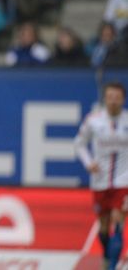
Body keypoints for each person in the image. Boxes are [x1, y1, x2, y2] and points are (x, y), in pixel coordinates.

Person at [74, 81, 128, 270]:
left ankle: (112, 265)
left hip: (123, 180)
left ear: (123, 100)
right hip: (100, 180)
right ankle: (106, 254)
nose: (113, 101)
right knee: (103, 227)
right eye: (110, 97)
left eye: (117, 98)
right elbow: (79, 143)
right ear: (105, 99)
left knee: (118, 220)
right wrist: (89, 163)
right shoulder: (94, 120)